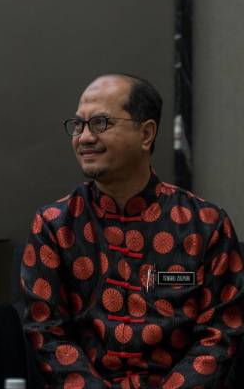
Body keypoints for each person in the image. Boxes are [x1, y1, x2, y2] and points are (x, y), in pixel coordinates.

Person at [21, 73, 244, 388]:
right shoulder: (55, 225)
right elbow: (46, 332)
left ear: (146, 133)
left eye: (100, 123)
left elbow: (220, 335)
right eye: (78, 125)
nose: (84, 137)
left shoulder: (206, 224)